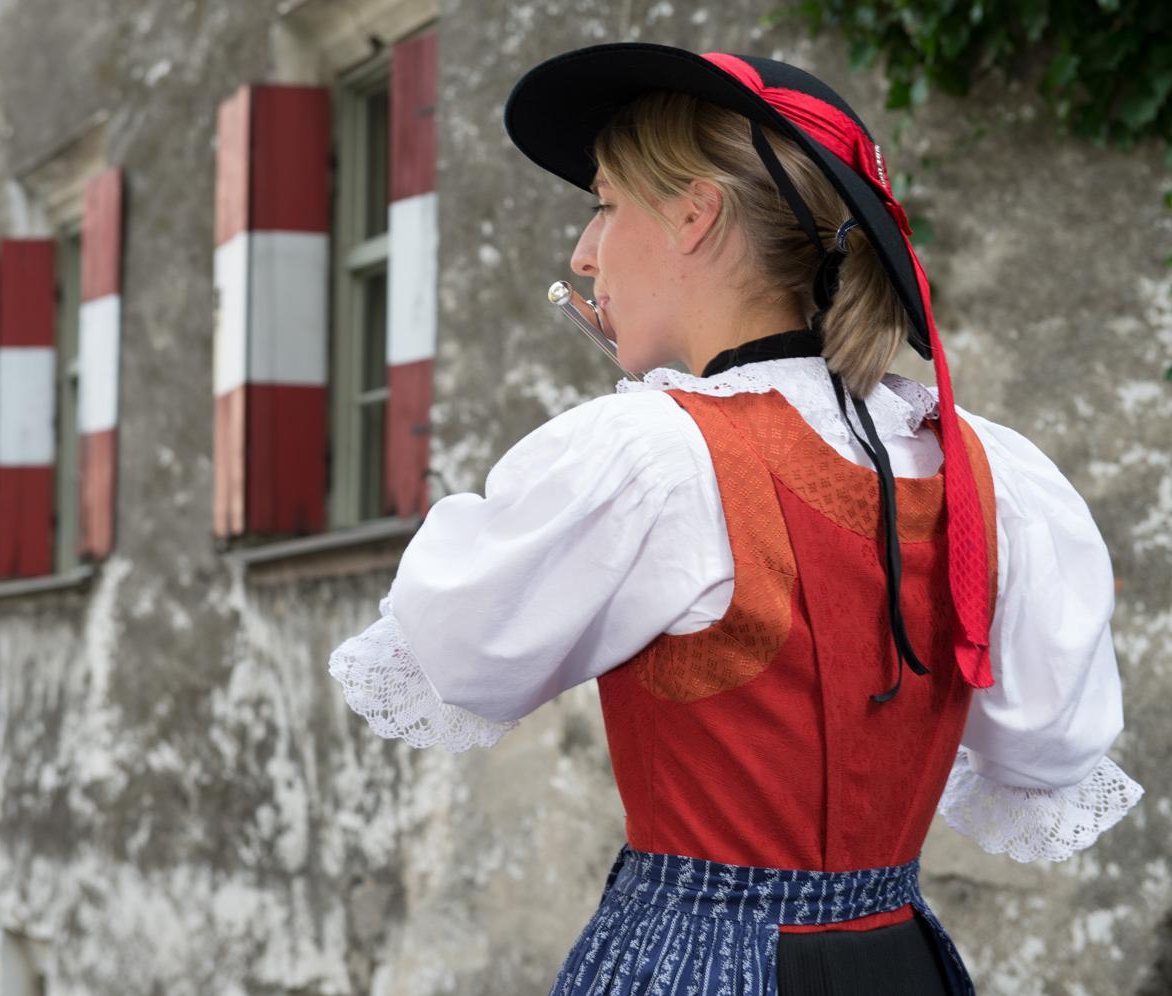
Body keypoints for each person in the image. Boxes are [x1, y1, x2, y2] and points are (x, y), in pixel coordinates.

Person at [327, 43, 1144, 995]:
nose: (584, 253)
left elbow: (453, 647)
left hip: (696, 968)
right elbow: (1046, 739)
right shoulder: (990, 467)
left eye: (603, 204)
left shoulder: (652, 454)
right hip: (901, 961)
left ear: (693, 214)